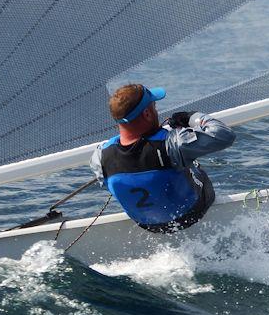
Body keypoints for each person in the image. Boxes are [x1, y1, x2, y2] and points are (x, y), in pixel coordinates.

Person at [90, 84, 235, 233]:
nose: (156, 110)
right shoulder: (172, 143)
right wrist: (191, 117)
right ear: (147, 114)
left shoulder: (99, 156)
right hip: (190, 214)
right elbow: (224, 135)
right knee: (192, 162)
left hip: (148, 225)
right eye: (154, 106)